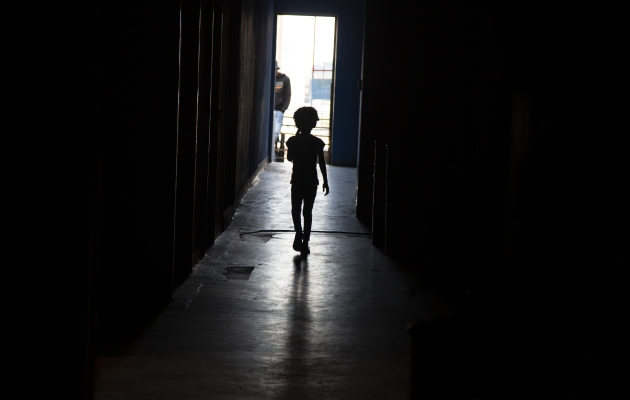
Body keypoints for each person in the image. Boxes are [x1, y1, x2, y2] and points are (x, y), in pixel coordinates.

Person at [286, 107, 330, 255]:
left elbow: (289, 158)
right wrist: (325, 181)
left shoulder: (292, 141)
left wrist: (296, 137)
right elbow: (322, 164)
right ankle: (305, 242)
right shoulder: (317, 143)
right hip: (312, 181)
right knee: (308, 212)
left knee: (295, 209)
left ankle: (298, 233)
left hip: (297, 179)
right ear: (313, 123)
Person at [274, 61, 291, 153]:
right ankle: (274, 154)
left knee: (275, 133)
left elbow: (288, 96)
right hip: (268, 111)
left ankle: (274, 153)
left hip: (278, 111)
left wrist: (282, 110)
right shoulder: (269, 79)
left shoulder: (285, 79)